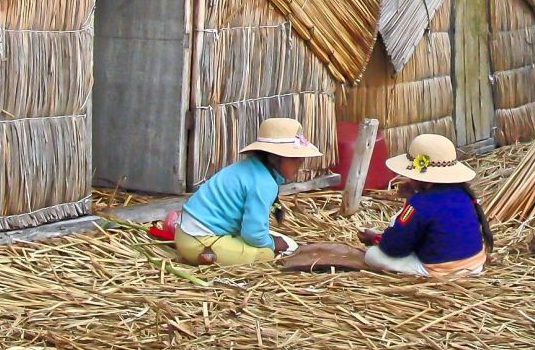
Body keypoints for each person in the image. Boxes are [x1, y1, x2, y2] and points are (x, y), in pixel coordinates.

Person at [175, 117, 322, 266]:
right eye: (295, 158)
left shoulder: (252, 169)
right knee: (265, 254)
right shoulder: (263, 183)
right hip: (199, 240)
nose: (300, 163)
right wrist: (272, 244)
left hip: (188, 231)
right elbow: (253, 234)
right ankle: (205, 256)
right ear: (273, 157)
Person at [358, 133, 493, 278]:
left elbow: (394, 248)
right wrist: (412, 198)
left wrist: (376, 238)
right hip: (475, 265)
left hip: (443, 271)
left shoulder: (420, 203)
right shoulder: (464, 194)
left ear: (420, 176)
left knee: (372, 255)